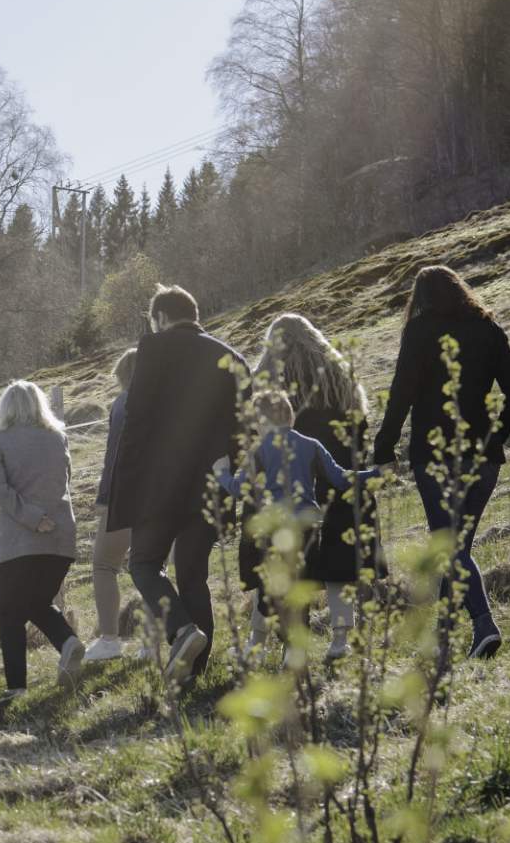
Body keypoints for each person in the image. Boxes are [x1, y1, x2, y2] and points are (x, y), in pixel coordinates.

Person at [373, 265, 510, 659]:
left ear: (419, 299)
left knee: (450, 545)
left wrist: (384, 444)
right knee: (458, 545)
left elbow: (401, 393)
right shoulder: (487, 328)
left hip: (435, 455)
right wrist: (496, 436)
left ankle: (483, 625)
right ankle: (444, 634)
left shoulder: (420, 330)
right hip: (483, 456)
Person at [108, 284, 246, 679]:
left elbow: (135, 425)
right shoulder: (230, 357)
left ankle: (183, 630)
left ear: (162, 318)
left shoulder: (155, 351)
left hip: (159, 487)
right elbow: (247, 427)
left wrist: (125, 490)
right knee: (193, 575)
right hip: (212, 484)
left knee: (145, 564)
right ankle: (195, 672)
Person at [253, 313, 384, 660]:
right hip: (342, 473)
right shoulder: (338, 374)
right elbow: (361, 424)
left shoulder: (274, 380)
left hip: (296, 481)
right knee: (337, 561)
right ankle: (340, 638)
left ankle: (292, 641)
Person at [218, 390, 376, 659]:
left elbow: (239, 488)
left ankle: (277, 644)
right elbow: (340, 478)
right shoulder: (311, 444)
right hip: (308, 526)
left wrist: (221, 473)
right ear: (290, 415)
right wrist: (375, 473)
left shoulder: (260, 449)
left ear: (261, 419)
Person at [0, 381, 86, 691]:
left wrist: (31, 518)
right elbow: (63, 481)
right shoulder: (58, 438)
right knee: (37, 602)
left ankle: (16, 688)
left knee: (9, 613)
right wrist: (48, 519)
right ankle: (68, 642)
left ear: (5, 408)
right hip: (61, 540)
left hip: (20, 542)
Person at [85, 348, 141, 661]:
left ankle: (109, 640)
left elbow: (113, 457)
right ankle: (152, 641)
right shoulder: (161, 401)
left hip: (121, 497)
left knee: (104, 565)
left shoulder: (122, 404)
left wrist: (103, 498)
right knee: (148, 566)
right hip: (155, 497)